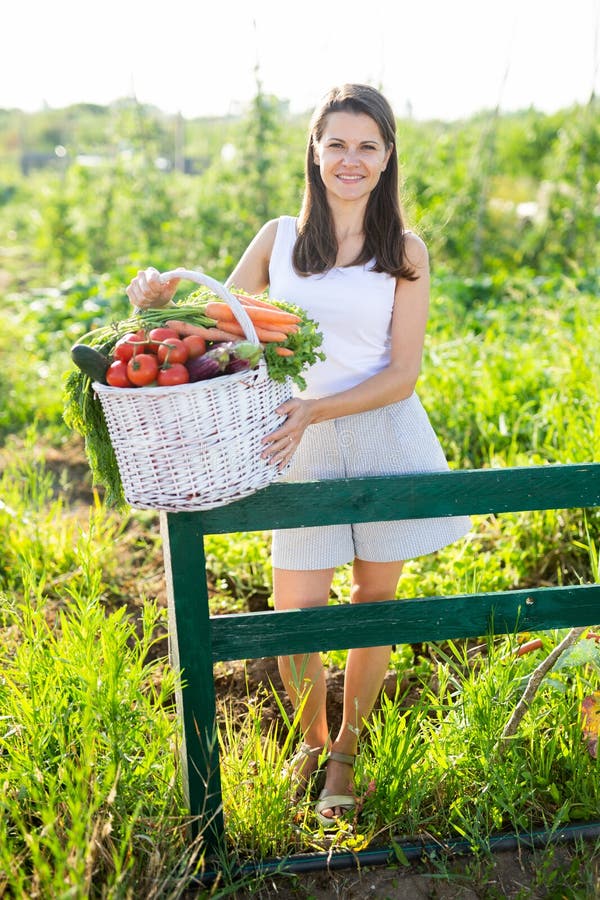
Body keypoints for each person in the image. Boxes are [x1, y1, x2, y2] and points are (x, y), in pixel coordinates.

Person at [126, 83, 471, 827]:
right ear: (315, 152)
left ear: (386, 160)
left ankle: (347, 750)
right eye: (338, 144)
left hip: (383, 435)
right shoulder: (279, 238)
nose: (352, 159)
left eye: (367, 146)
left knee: (373, 604)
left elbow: (402, 373)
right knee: (294, 611)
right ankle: (313, 742)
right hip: (295, 438)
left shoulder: (404, 251)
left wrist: (318, 405)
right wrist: (157, 300)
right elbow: (216, 318)